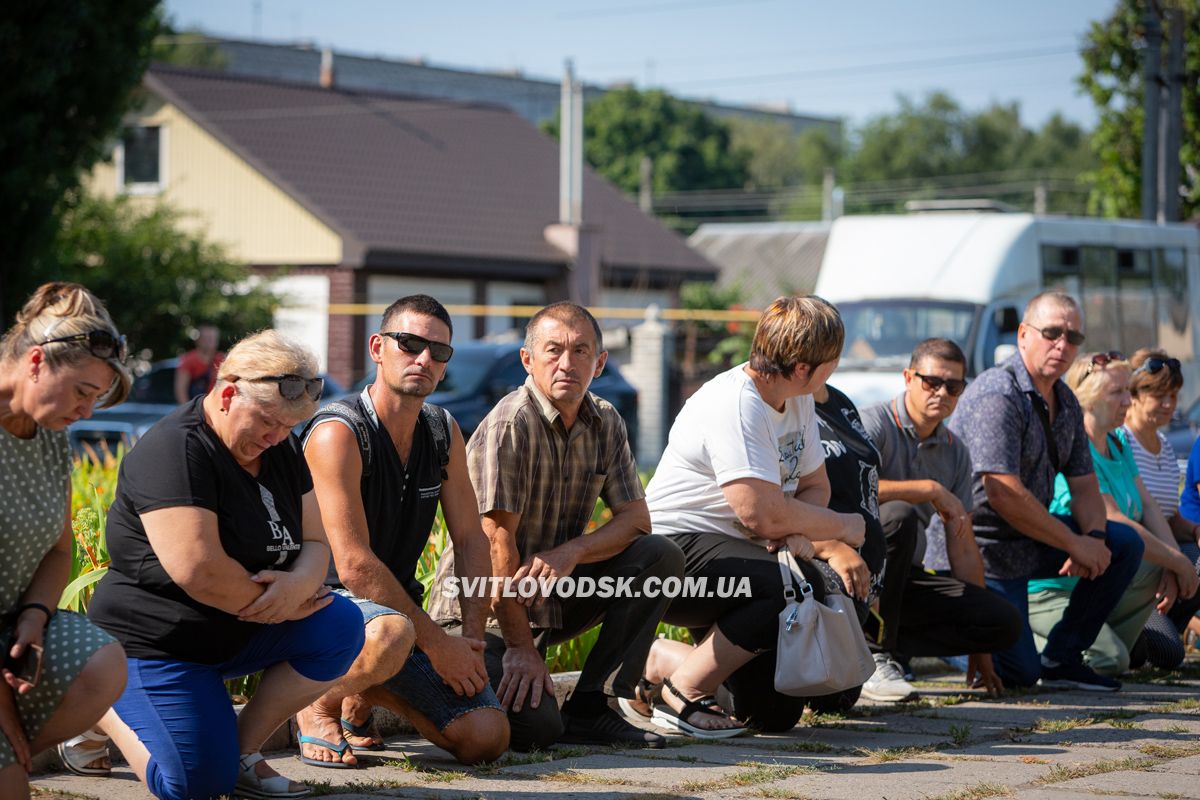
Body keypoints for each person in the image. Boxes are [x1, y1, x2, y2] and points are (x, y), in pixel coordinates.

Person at [85, 330, 365, 800]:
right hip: (157, 642)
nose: (276, 436)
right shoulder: (175, 450)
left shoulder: (278, 447)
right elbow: (199, 570)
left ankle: (241, 752)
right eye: (267, 421)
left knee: (339, 624)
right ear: (229, 390)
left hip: (237, 628)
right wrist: (281, 605)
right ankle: (97, 702)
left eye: (288, 426)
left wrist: (299, 585)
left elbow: (316, 540)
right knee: (192, 786)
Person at [428, 302, 683, 749]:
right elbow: (494, 542)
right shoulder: (512, 423)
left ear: (600, 363)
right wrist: (520, 648)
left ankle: (592, 708)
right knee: (537, 731)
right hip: (481, 612)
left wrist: (573, 552)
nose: (567, 363)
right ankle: (433, 690)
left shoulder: (606, 422)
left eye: (581, 351)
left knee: (658, 556)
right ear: (528, 360)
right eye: (553, 350)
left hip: (551, 596)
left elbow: (636, 521)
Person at [634, 296, 867, 736]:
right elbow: (762, 515)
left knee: (772, 713)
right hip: (673, 553)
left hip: (739, 556)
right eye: (832, 361)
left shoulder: (797, 400)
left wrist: (798, 532)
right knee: (790, 583)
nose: (835, 369)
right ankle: (681, 691)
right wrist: (842, 528)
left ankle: (662, 659)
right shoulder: (735, 404)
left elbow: (817, 486)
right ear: (803, 367)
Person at [296, 295, 507, 767]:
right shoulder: (339, 432)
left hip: (397, 621)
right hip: (319, 611)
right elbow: (351, 565)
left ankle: (360, 696)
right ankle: (317, 701)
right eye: (409, 343)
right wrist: (438, 645)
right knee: (389, 636)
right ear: (377, 347)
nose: (424, 359)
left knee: (486, 737)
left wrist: (469, 640)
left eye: (439, 351)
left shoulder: (441, 428)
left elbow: (472, 539)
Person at [938, 291, 1143, 691]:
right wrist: (1073, 543)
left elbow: (1085, 487)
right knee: (1019, 675)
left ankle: (1064, 657)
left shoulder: (1064, 400)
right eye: (1051, 333)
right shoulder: (998, 394)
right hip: (982, 550)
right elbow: (1001, 492)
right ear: (1022, 335)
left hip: (1027, 543)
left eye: (1073, 337)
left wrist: (1094, 540)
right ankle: (950, 640)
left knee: (1123, 543)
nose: (1063, 345)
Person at [0, 283, 131, 798]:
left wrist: (34, 616)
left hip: (7, 628)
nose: (88, 412)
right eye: (82, 391)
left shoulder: (47, 432)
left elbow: (59, 549)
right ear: (36, 361)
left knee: (99, 664)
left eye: (96, 399)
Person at [859, 339, 1021, 702]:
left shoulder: (955, 450)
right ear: (908, 378)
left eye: (954, 386)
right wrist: (927, 489)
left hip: (904, 580)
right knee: (898, 516)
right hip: (853, 572)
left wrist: (981, 649)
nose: (942, 392)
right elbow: (846, 492)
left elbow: (963, 544)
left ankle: (890, 652)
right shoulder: (872, 424)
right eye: (932, 382)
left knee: (1002, 622)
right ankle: (871, 654)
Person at [1027, 353, 1199, 675]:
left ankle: (1103, 645)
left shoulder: (1117, 444)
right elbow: (1114, 519)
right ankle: (1025, 648)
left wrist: (1174, 561)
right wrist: (1175, 561)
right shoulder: (1076, 447)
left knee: (1126, 656)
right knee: (1113, 660)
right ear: (1088, 400)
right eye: (1117, 393)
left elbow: (1148, 507)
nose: (1126, 401)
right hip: (1054, 590)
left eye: (1127, 391)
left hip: (1096, 584)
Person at [1121, 349, 1200, 665]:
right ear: (1135, 394)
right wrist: (1172, 562)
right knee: (1167, 655)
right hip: (1134, 568)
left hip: (1162, 561)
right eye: (1158, 395)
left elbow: (1167, 517)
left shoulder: (1165, 447)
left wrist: (1194, 530)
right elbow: (1135, 521)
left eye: (1173, 395)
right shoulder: (1121, 442)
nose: (1168, 404)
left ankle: (1172, 624)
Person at [174, 323, 224, 404]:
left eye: (213, 338)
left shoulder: (222, 359)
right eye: (207, 338)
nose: (210, 342)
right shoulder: (188, 360)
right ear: (198, 340)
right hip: (196, 408)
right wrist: (189, 411)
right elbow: (180, 390)